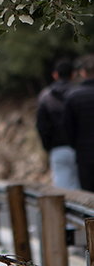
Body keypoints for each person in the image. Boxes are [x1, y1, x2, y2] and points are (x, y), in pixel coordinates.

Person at [36, 59, 80, 189]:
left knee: (62, 189)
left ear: (55, 74)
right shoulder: (79, 93)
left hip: (58, 148)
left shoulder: (46, 97)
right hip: (81, 147)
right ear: (74, 74)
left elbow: (41, 125)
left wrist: (48, 146)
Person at [64, 55, 94, 191]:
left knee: (89, 198)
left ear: (82, 72)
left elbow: (68, 130)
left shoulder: (73, 97)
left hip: (85, 155)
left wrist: (76, 146)